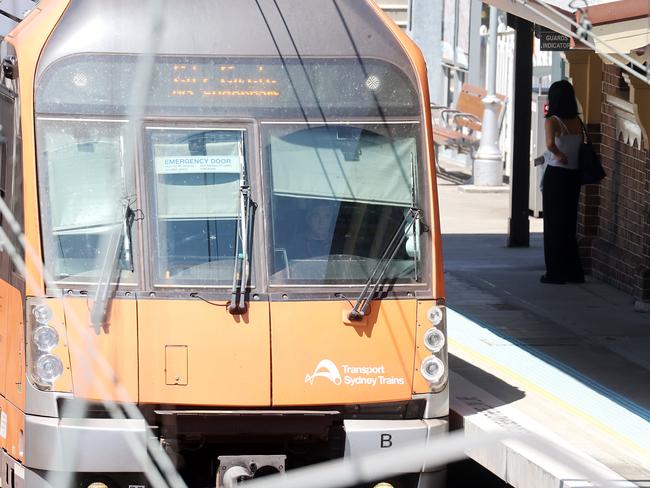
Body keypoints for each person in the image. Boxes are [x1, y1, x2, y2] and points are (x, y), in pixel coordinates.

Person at [540, 80, 585, 284]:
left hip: (556, 175)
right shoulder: (577, 121)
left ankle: (555, 273)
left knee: (553, 225)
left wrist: (559, 154)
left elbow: (550, 144)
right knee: (568, 225)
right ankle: (574, 271)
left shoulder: (553, 121)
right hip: (573, 177)